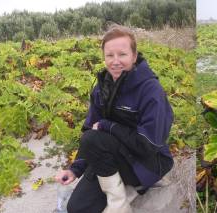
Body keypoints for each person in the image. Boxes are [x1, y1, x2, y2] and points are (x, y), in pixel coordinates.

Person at [55, 24, 174, 213]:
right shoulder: (101, 89)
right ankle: (123, 188)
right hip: (111, 155)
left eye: (122, 54)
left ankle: (119, 205)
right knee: (77, 208)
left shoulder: (151, 90)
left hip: (149, 162)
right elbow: (90, 132)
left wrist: (107, 126)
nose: (115, 61)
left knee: (95, 137)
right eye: (110, 55)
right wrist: (75, 169)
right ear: (104, 57)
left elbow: (147, 145)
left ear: (134, 56)